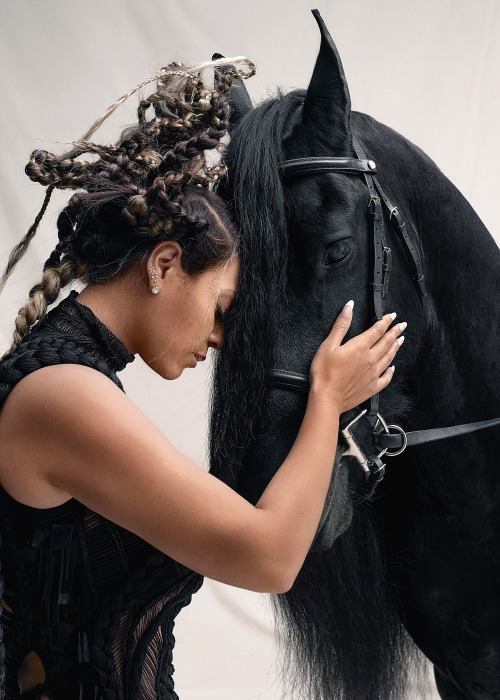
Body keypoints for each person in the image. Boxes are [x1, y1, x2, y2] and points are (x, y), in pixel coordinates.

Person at [0, 57, 406, 700]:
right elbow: (270, 557)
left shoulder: (71, 380)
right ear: (164, 263)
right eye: (221, 309)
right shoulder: (61, 393)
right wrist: (327, 403)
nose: (220, 341)